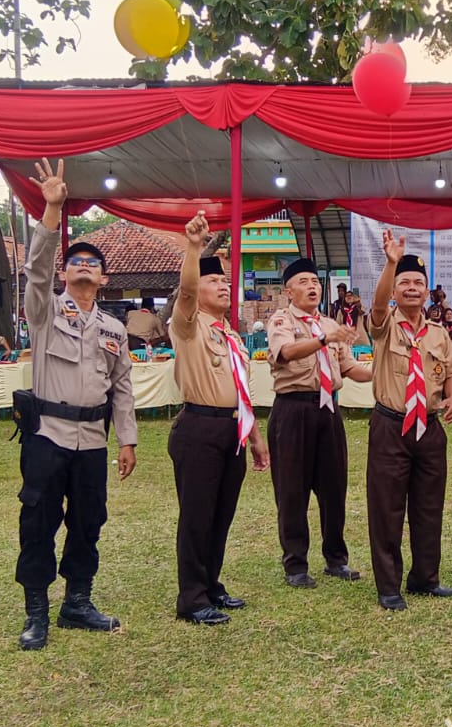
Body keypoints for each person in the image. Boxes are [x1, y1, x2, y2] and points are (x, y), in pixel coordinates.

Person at [15, 159, 138, 651]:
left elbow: (123, 388)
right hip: (47, 434)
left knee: (89, 521)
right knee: (39, 521)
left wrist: (127, 438)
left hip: (93, 439)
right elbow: (37, 271)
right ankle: (36, 612)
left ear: (105, 280)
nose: (84, 266)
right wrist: (52, 209)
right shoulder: (44, 313)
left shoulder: (114, 329)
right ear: (64, 274)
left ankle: (77, 602)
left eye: (93, 264)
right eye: (76, 262)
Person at [168, 212, 271, 625]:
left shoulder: (230, 335)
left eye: (227, 281)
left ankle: (211, 584)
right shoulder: (189, 325)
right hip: (199, 428)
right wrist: (194, 249)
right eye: (216, 281)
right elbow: (187, 292)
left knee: (221, 513)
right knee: (197, 515)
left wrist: (257, 437)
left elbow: (241, 393)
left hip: (233, 428)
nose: (224, 285)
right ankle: (191, 598)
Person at [363, 232, 452, 610]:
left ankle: (425, 578)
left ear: (427, 291)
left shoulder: (437, 332)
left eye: (418, 283)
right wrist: (391, 262)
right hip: (391, 426)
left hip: (430, 428)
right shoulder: (384, 324)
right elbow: (375, 306)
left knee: (428, 506)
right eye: (404, 282)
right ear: (395, 290)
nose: (411, 288)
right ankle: (389, 586)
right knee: (387, 509)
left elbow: (451, 369)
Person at [266, 255, 372, 588]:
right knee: (292, 490)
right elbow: (286, 353)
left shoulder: (329, 324)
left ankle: (336, 559)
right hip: (292, 410)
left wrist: (382, 375)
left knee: (333, 487)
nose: (312, 287)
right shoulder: (281, 320)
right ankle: (295, 564)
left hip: (327, 411)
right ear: (288, 291)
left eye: (315, 282)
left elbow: (347, 369)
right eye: (303, 282)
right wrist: (325, 339)